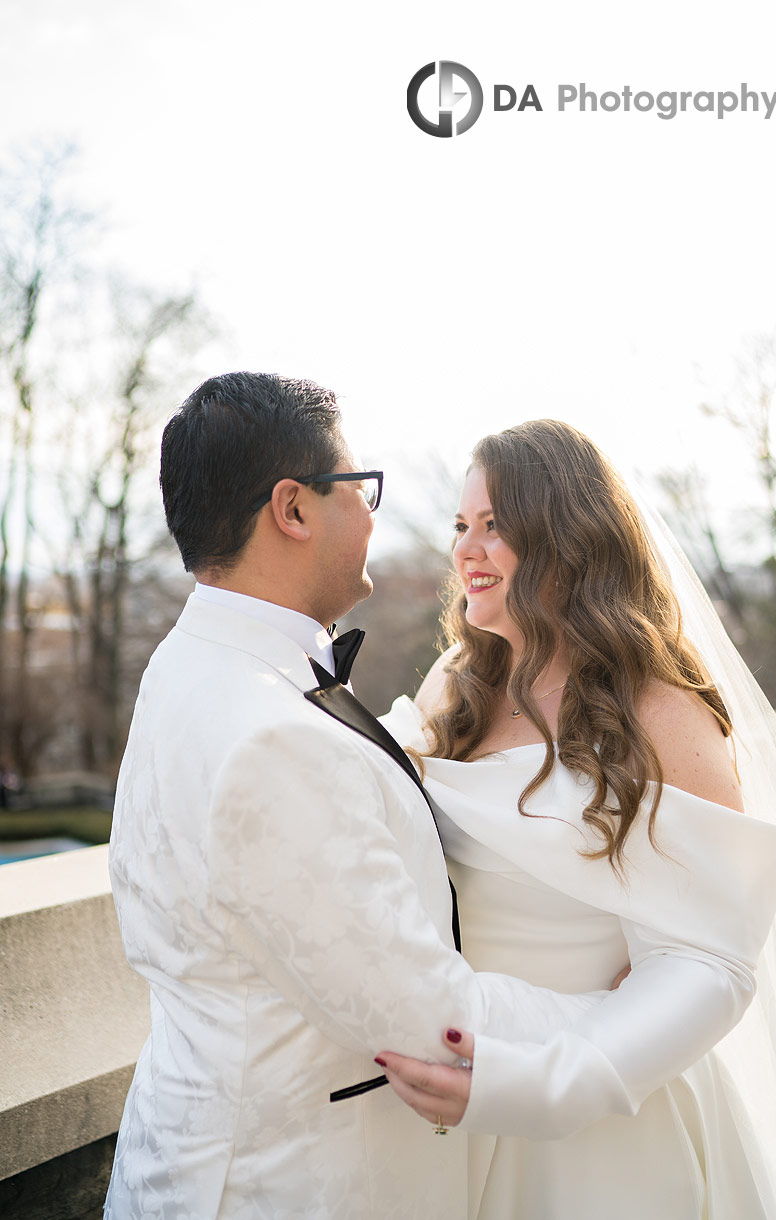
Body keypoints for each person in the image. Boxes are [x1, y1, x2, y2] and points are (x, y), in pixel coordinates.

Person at [105, 376, 654, 1220]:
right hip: (289, 1184)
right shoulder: (270, 738)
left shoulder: (190, 666)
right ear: (292, 509)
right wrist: (612, 1017)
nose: (374, 516)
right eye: (359, 489)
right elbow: (427, 1015)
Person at [377, 419, 776, 1219]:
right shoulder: (456, 684)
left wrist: (546, 1085)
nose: (466, 551)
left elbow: (708, 959)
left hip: (600, 1113)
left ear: (567, 540)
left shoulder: (660, 708)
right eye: (460, 526)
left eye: (496, 526)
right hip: (452, 1093)